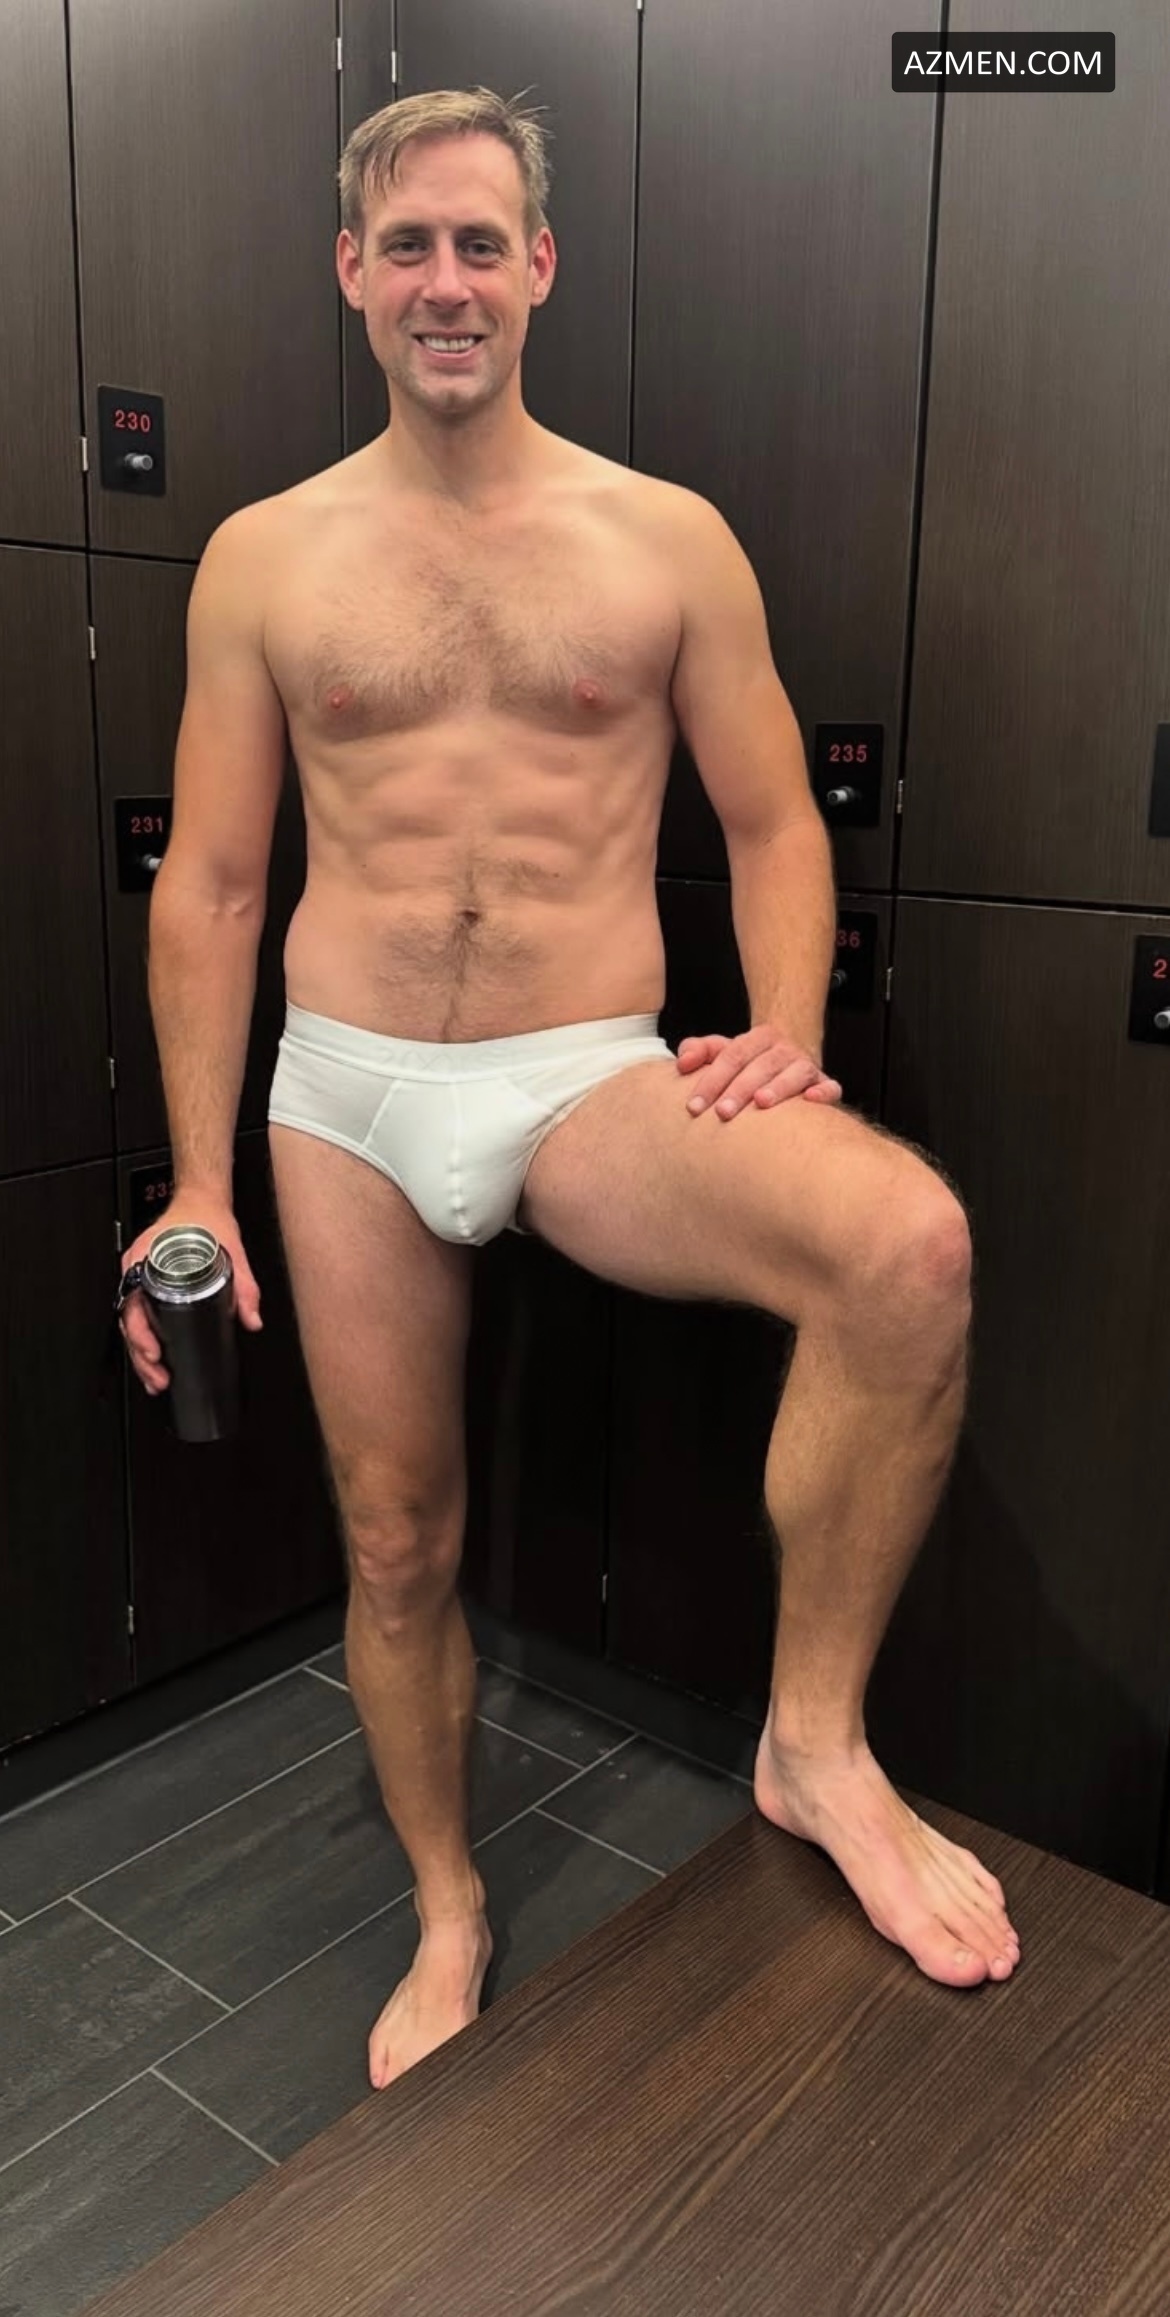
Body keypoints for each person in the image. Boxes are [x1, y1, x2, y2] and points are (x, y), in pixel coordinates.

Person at [118, 86, 1019, 2092]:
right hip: (345, 1096)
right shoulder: (262, 559)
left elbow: (773, 823)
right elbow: (216, 884)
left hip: (583, 1076)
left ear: (540, 266)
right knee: (396, 1538)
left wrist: (781, 1026)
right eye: (407, 245)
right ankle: (448, 1902)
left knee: (905, 1249)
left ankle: (813, 1741)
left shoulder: (664, 538)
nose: (445, 281)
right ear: (351, 274)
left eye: (479, 242)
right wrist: (195, 1180)